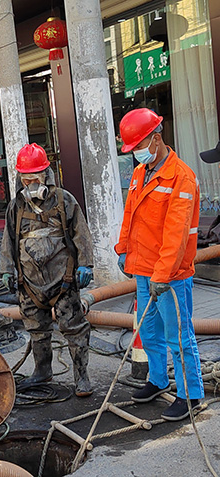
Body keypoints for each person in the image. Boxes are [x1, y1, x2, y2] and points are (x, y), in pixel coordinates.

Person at [116, 108, 203, 421]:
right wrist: (123, 249)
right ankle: (157, 379)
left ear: (156, 138)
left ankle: (190, 394)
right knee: (149, 330)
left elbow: (177, 235)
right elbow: (130, 214)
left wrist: (162, 275)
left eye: (139, 146)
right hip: (142, 269)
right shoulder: (142, 172)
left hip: (171, 275)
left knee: (179, 337)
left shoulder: (182, 177)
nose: (136, 153)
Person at [0, 143, 95, 397]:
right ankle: (43, 370)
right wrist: (7, 269)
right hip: (29, 283)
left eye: (34, 177)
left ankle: (82, 376)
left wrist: (86, 264)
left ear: (46, 174)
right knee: (36, 327)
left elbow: (81, 234)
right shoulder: (16, 206)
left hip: (62, 280)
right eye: (24, 178)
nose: (29, 183)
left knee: (74, 328)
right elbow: (8, 239)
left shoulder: (65, 201)